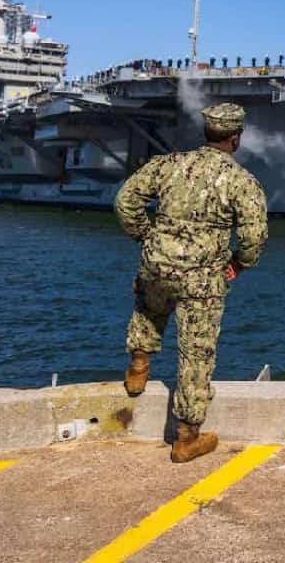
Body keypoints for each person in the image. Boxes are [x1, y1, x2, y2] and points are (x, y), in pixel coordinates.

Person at [115, 102, 268, 463]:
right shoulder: (241, 181)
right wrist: (238, 265)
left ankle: (138, 367)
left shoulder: (168, 164)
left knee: (148, 306)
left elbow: (125, 202)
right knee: (196, 353)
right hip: (202, 277)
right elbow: (254, 237)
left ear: (206, 133)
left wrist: (147, 238)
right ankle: (186, 438)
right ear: (236, 138)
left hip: (158, 261)